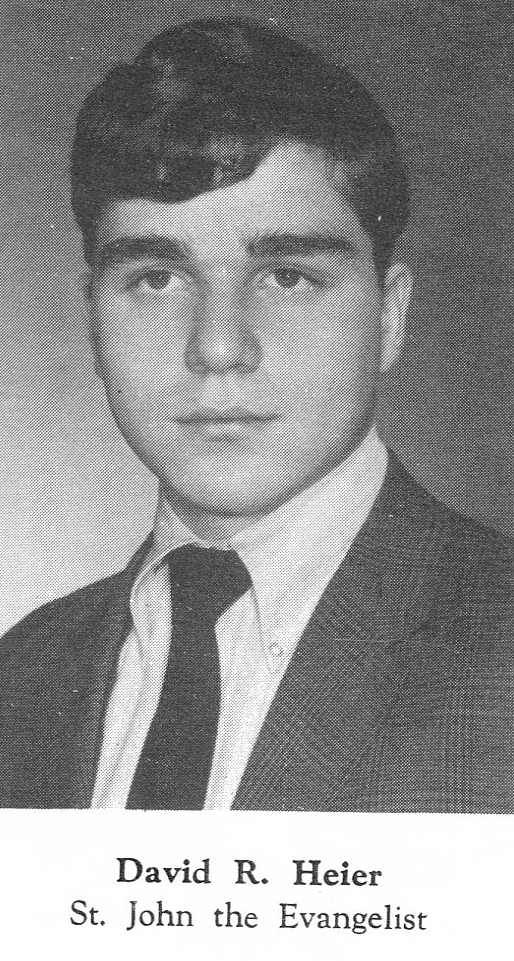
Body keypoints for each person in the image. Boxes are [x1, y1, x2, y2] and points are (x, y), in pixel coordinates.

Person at [0, 18, 512, 812]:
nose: (218, 347)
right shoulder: (23, 674)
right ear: (93, 320)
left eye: (287, 276)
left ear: (389, 316)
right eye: (156, 278)